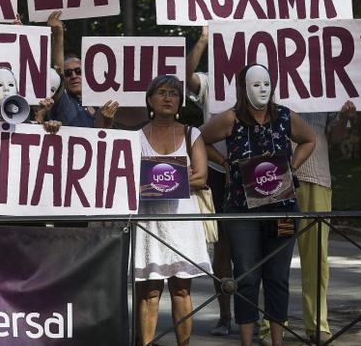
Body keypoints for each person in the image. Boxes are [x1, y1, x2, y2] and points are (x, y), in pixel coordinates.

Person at [200, 64, 316, 346]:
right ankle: (247, 341)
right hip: (242, 210)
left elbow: (309, 140)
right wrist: (224, 163)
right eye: (256, 84)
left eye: (267, 84)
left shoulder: (286, 117)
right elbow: (199, 139)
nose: (263, 89)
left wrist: (292, 166)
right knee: (247, 276)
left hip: (282, 207)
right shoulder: (229, 119)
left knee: (278, 277)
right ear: (243, 88)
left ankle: (277, 341)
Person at [133, 75, 213, 346]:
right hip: (149, 221)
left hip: (183, 221)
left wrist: (153, 180)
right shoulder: (136, 136)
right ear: (150, 100)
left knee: (181, 289)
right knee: (149, 291)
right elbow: (128, 178)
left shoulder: (192, 133)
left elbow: (201, 177)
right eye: (162, 92)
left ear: (179, 101)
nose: (168, 97)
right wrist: (181, 176)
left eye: (174, 93)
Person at [185, 26, 234, 334]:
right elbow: (185, 74)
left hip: (257, 175)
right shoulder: (209, 80)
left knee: (255, 250)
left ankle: (255, 319)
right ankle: (226, 316)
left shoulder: (266, 78)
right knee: (224, 250)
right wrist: (202, 40)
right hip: (219, 175)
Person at [295, 100, 355, 341]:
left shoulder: (326, 88)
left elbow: (337, 138)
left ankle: (317, 324)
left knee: (317, 258)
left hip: (317, 178)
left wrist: (344, 118)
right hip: (276, 179)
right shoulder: (272, 80)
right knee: (274, 256)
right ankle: (273, 323)